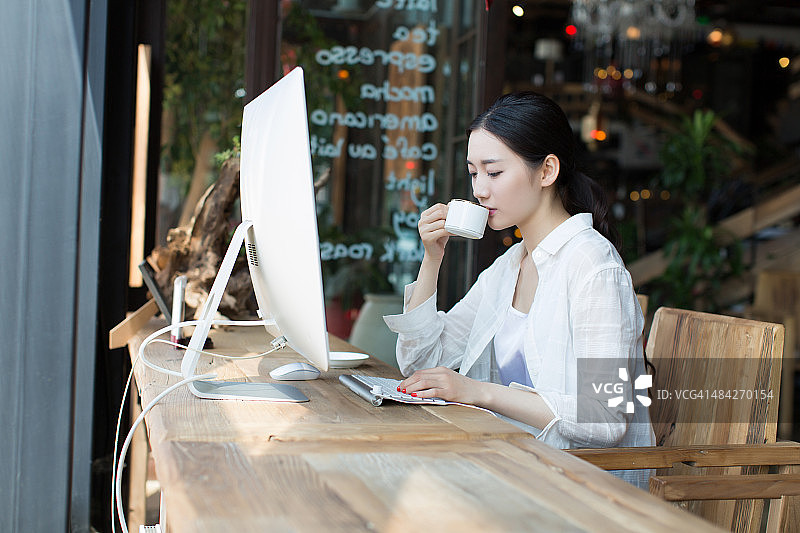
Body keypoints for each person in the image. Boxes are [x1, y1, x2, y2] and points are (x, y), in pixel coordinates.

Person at [383, 91, 655, 488]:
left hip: (586, 492)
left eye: (493, 173)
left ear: (547, 171)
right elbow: (422, 362)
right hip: (515, 470)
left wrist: (478, 392)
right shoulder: (509, 267)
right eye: (473, 172)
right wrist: (431, 259)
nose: (479, 190)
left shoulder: (593, 266)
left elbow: (605, 417)